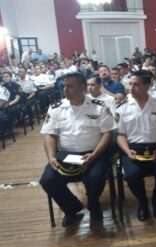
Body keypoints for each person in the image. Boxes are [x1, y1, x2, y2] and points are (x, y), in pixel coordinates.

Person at [39, 73, 115, 227]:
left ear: (83, 87)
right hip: (66, 155)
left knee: (95, 178)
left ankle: (94, 205)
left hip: (94, 153)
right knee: (47, 180)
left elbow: (107, 133)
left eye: (70, 86)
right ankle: (71, 208)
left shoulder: (99, 106)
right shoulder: (56, 108)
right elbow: (49, 135)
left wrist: (94, 155)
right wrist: (51, 157)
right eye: (64, 86)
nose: (65, 90)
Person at [116, 70, 156, 221]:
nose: (131, 88)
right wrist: (127, 151)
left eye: (136, 85)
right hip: (132, 149)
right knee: (131, 175)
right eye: (130, 84)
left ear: (147, 86)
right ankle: (142, 202)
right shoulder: (122, 107)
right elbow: (120, 135)